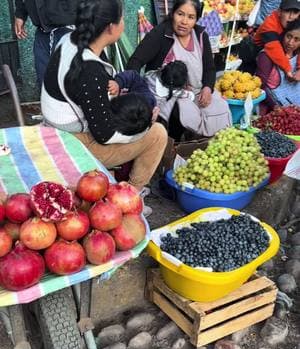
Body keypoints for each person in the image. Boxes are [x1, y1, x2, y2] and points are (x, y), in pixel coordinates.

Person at [41, 0, 168, 215]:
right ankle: (130, 199)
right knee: (158, 134)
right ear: (110, 27)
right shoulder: (90, 70)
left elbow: (84, 93)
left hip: (57, 127)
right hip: (72, 142)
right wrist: (146, 124)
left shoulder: (69, 40)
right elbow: (105, 135)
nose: (123, 23)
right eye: (121, 18)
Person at [127, 0, 232, 141]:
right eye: (180, 14)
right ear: (172, 13)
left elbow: (209, 68)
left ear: (196, 19)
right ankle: (176, 143)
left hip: (197, 92)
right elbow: (135, 61)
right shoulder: (161, 34)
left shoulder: (201, 36)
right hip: (168, 94)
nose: (184, 21)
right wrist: (139, 91)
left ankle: (199, 145)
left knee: (221, 107)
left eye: (191, 17)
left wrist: (207, 88)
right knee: (183, 113)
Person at [14, 0, 79, 87]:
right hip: (42, 32)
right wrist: (20, 13)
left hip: (70, 30)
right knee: (45, 84)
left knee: (74, 84)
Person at [256, 19, 300, 113]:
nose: (290, 42)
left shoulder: (297, 55)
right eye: (289, 36)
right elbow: (259, 85)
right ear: (283, 34)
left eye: (296, 39)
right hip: (273, 110)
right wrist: (274, 106)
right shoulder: (267, 56)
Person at [254, 0, 300, 82]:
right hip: (259, 52)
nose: (291, 16)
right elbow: (273, 48)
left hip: (281, 51)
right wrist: (288, 69)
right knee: (261, 81)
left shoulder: (296, 21)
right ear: (279, 12)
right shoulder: (270, 24)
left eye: (295, 12)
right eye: (287, 11)